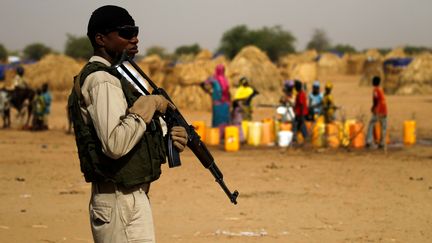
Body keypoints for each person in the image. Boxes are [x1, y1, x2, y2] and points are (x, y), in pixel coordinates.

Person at [67, 5, 188, 242]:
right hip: (119, 199)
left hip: (127, 197)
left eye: (135, 31)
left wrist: (167, 138)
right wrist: (148, 106)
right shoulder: (102, 80)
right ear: (101, 38)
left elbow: (133, 138)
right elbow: (115, 144)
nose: (135, 39)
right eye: (125, 33)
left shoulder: (114, 77)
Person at [366, 76, 388, 149]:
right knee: (383, 126)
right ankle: (382, 143)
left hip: (379, 110)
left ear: (373, 82)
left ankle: (369, 141)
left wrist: (373, 108)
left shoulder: (375, 90)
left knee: (371, 124)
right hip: (384, 110)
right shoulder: (380, 90)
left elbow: (376, 100)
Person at [292, 80, 308, 144]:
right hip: (300, 113)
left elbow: (301, 105)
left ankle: (295, 139)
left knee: (296, 125)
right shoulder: (301, 93)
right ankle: (305, 138)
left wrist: (301, 115)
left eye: (295, 87)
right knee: (300, 126)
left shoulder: (300, 95)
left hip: (300, 113)